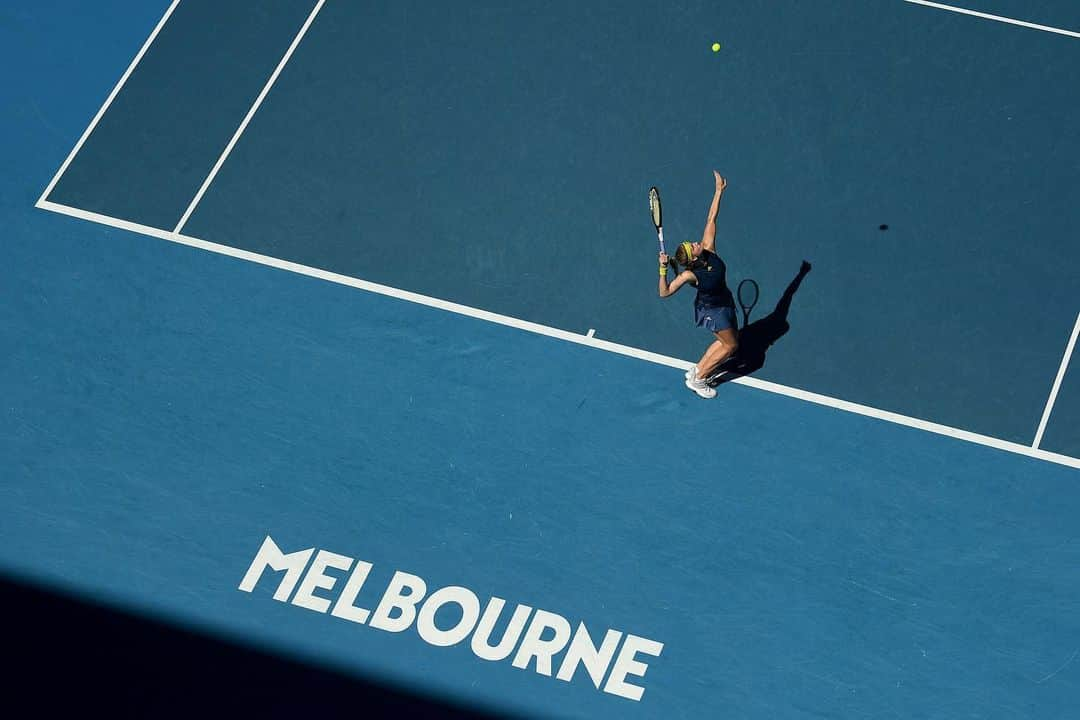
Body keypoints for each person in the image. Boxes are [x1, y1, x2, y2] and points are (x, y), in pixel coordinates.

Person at [657, 171, 737, 399]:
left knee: (726, 342)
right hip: (712, 311)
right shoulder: (690, 275)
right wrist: (663, 269)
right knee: (731, 347)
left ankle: (697, 370)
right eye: (693, 246)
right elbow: (665, 292)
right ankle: (699, 379)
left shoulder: (708, 247)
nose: (695, 242)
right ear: (693, 259)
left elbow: (711, 218)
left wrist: (718, 191)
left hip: (724, 301)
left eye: (692, 243)